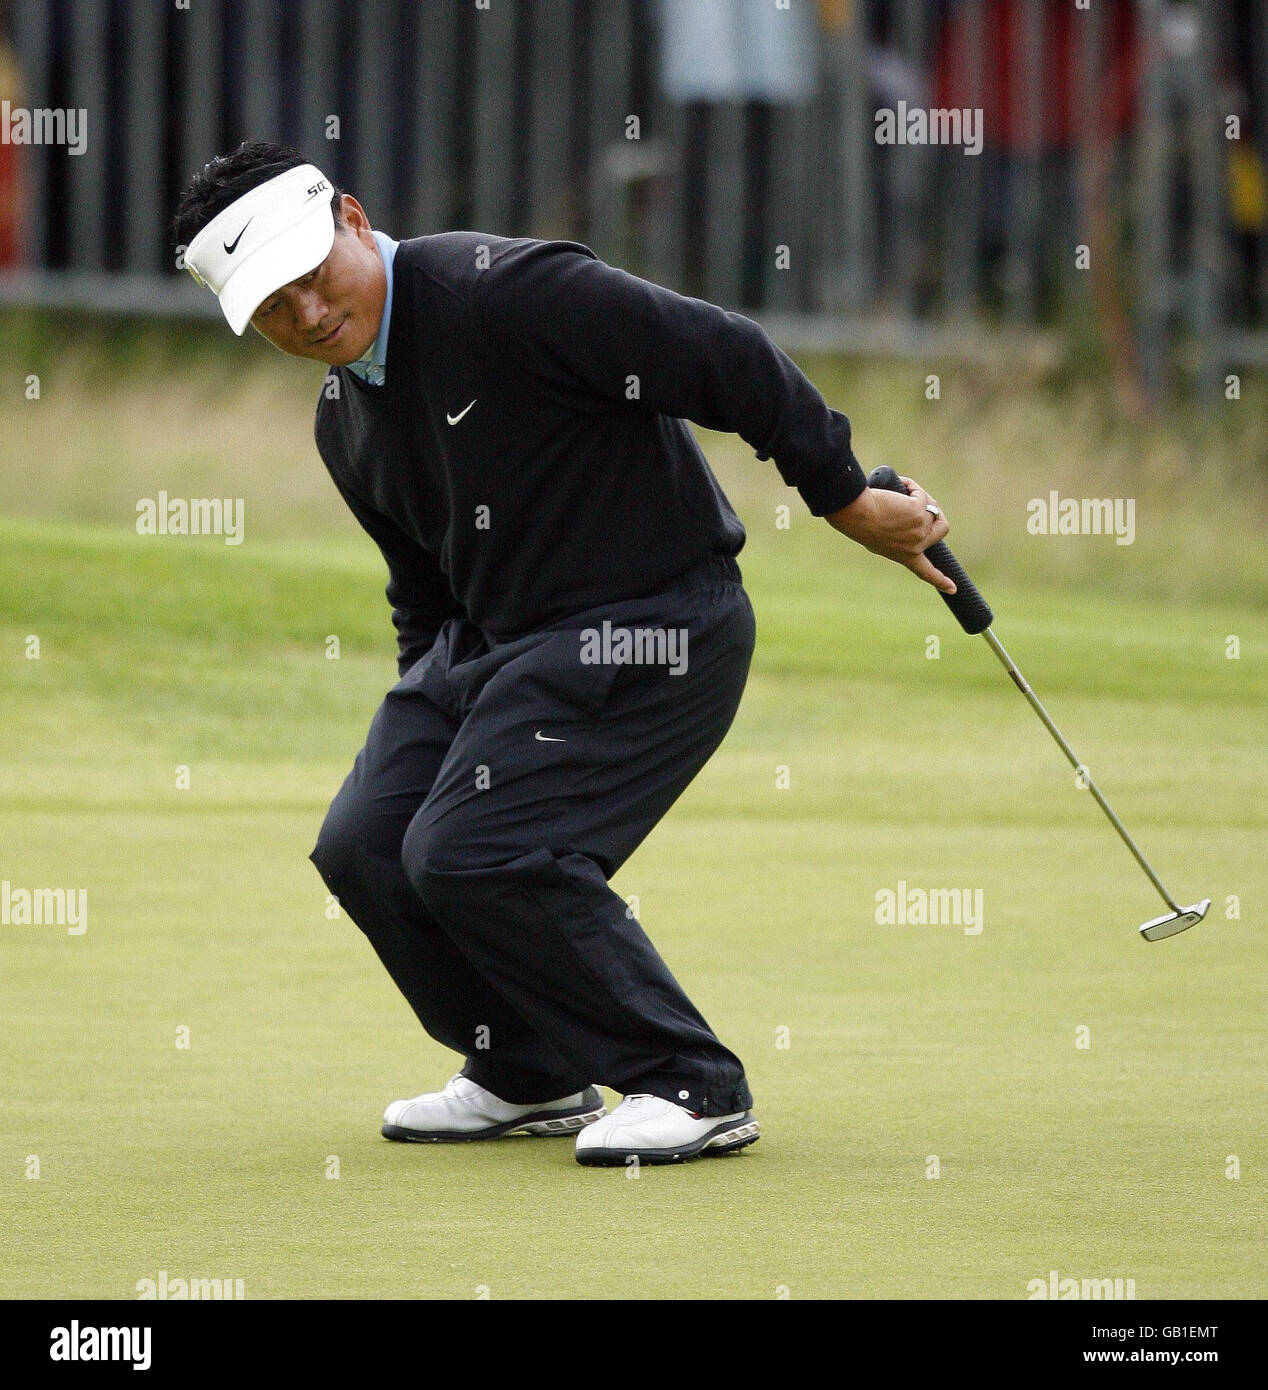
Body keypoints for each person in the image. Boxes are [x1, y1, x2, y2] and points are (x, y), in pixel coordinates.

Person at [171, 141, 953, 1167]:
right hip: (498, 647)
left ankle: (690, 1081)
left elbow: (725, 354)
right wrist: (427, 719)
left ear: (354, 219)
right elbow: (425, 589)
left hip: (658, 618)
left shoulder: (503, 293)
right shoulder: (341, 418)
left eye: (313, 274)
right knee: (367, 841)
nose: (307, 314)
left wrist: (842, 497)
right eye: (273, 307)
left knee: (466, 848)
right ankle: (525, 1067)